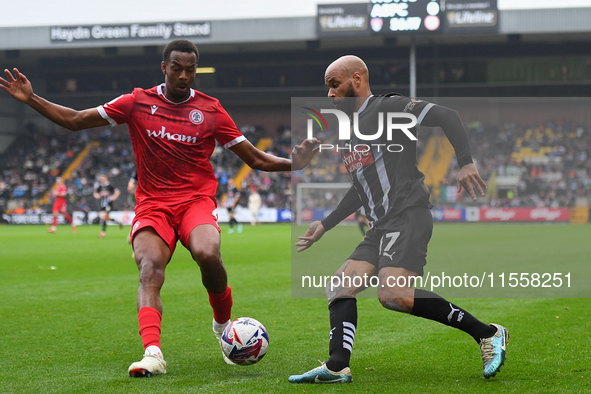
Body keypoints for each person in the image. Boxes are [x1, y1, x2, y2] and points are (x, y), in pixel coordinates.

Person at [0, 39, 318, 378]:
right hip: (153, 205)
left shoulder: (210, 110)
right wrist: (31, 98)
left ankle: (223, 325)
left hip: (195, 201)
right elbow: (76, 120)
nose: (184, 76)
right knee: (149, 268)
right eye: (177, 68)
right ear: (164, 68)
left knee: (208, 254)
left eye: (191, 70)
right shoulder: (136, 102)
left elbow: (254, 158)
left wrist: (294, 164)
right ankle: (152, 354)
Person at [289, 55, 508, 384]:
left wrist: (465, 162)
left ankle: (488, 334)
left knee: (394, 295)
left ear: (358, 79)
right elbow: (360, 188)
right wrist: (325, 224)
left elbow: (448, 116)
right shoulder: (348, 133)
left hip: (407, 214)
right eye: (327, 88)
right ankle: (337, 366)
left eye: (335, 84)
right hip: (380, 226)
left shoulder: (388, 109)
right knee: (339, 287)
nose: (330, 94)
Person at [93, 173, 122, 238]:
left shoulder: (110, 185)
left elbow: (117, 192)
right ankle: (117, 222)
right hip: (102, 204)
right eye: (101, 178)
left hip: (109, 204)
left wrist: (113, 197)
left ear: (106, 178)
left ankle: (103, 233)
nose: (102, 179)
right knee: (106, 218)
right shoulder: (100, 186)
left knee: (104, 217)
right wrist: (97, 196)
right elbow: (95, 193)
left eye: (103, 178)